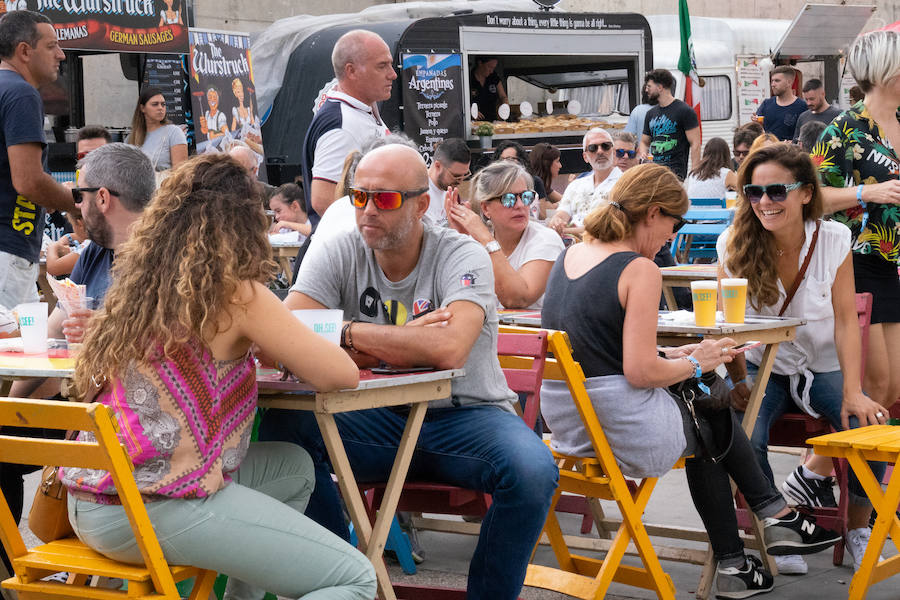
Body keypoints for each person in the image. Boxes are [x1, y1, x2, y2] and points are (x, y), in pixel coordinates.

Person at [61, 153, 376, 600]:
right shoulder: (237, 292)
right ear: (245, 223)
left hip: (90, 497)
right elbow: (341, 373)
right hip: (152, 504)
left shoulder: (138, 284)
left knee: (294, 466)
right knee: (355, 579)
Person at [261, 142, 558, 600]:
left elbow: (447, 349)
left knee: (534, 470)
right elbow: (284, 338)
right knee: (284, 428)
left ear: (422, 205)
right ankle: (343, 579)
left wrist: (342, 336)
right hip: (378, 418)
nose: (367, 210)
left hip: (465, 416)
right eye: (359, 196)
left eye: (384, 198)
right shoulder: (338, 249)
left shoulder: (462, 253)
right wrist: (394, 338)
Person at [540, 162, 841, 600]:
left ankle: (751, 547)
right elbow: (639, 372)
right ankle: (771, 519)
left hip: (570, 420)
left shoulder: (569, 255)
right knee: (711, 401)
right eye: (674, 222)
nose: (672, 235)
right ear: (652, 212)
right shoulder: (638, 269)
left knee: (704, 402)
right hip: (620, 427)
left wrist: (674, 356)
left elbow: (598, 350)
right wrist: (697, 362)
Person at [718, 142, 888, 574]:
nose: (765, 202)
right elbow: (728, 326)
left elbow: (847, 321)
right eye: (754, 193)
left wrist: (853, 390)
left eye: (777, 191)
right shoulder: (732, 243)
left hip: (824, 365)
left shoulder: (833, 239)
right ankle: (781, 529)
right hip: (765, 368)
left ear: (806, 193)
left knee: (871, 425)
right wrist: (738, 381)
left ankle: (857, 528)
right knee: (744, 436)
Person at [815, 29, 900, 412]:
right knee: (876, 386)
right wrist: (867, 192)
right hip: (860, 261)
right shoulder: (845, 128)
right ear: (888, 72)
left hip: (893, 264)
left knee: (893, 387)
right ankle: (815, 471)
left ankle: (814, 472)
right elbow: (810, 198)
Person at [0, 9, 73, 309]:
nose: (61, 54)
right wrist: (78, 204)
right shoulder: (21, 94)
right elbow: (28, 181)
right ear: (24, 51)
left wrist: (50, 195)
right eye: (51, 45)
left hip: (11, 255)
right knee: (17, 354)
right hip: (8, 252)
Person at [302, 29, 393, 229]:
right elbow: (323, 200)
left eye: (391, 65)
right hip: (348, 251)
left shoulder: (359, 111)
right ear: (351, 71)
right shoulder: (342, 123)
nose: (392, 75)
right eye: (382, 66)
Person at [445, 159, 563, 309]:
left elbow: (518, 299)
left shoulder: (545, 239)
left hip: (534, 331)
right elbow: (456, 295)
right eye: (508, 199)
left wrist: (485, 240)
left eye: (526, 196)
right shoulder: (478, 240)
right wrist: (459, 239)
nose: (520, 205)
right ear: (486, 208)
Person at [548, 128, 622, 236]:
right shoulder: (576, 185)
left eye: (605, 146)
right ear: (585, 157)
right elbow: (561, 215)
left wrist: (566, 230)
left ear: (614, 152)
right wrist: (556, 222)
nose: (600, 151)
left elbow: (606, 228)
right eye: (593, 148)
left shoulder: (625, 183)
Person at [640, 68, 701, 180]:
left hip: (674, 174)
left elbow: (695, 144)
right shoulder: (650, 114)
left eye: (649, 86)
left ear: (660, 87)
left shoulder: (684, 110)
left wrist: (695, 174)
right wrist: (643, 154)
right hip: (653, 173)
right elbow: (644, 141)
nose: (646, 90)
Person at [127, 87, 188, 172]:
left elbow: (180, 174)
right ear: (142, 108)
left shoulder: (174, 132)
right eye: (155, 104)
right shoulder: (131, 138)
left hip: (164, 184)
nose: (160, 108)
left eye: (163, 104)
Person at [755, 66, 807, 142]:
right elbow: (758, 130)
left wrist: (793, 143)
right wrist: (757, 123)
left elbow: (804, 135)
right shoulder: (766, 104)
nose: (773, 84)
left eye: (777, 81)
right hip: (768, 151)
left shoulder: (802, 106)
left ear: (789, 82)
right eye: (772, 81)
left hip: (789, 152)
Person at [426, 137, 470, 225]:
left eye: (465, 175)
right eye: (456, 176)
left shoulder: (452, 193)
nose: (460, 182)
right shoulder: (419, 192)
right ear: (438, 166)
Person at [792, 78, 841, 143]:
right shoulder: (803, 117)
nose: (808, 103)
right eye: (806, 99)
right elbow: (796, 143)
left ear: (823, 94)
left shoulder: (838, 116)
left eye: (812, 99)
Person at [44, 205, 87, 276]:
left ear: (80, 224)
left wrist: (53, 246)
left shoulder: (89, 248)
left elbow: (53, 268)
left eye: (72, 225)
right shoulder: (100, 239)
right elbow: (81, 236)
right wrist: (68, 237)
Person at [529, 142, 563, 217]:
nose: (560, 166)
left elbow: (566, 200)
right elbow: (546, 213)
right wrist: (557, 204)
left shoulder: (544, 185)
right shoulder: (535, 182)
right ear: (546, 164)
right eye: (557, 161)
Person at [470, 56, 508, 122]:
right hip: (474, 121)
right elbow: (458, 101)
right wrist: (470, 110)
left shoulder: (493, 77)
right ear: (480, 63)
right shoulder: (468, 77)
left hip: (492, 120)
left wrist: (505, 106)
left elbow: (503, 96)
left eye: (493, 68)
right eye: (489, 67)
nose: (491, 71)